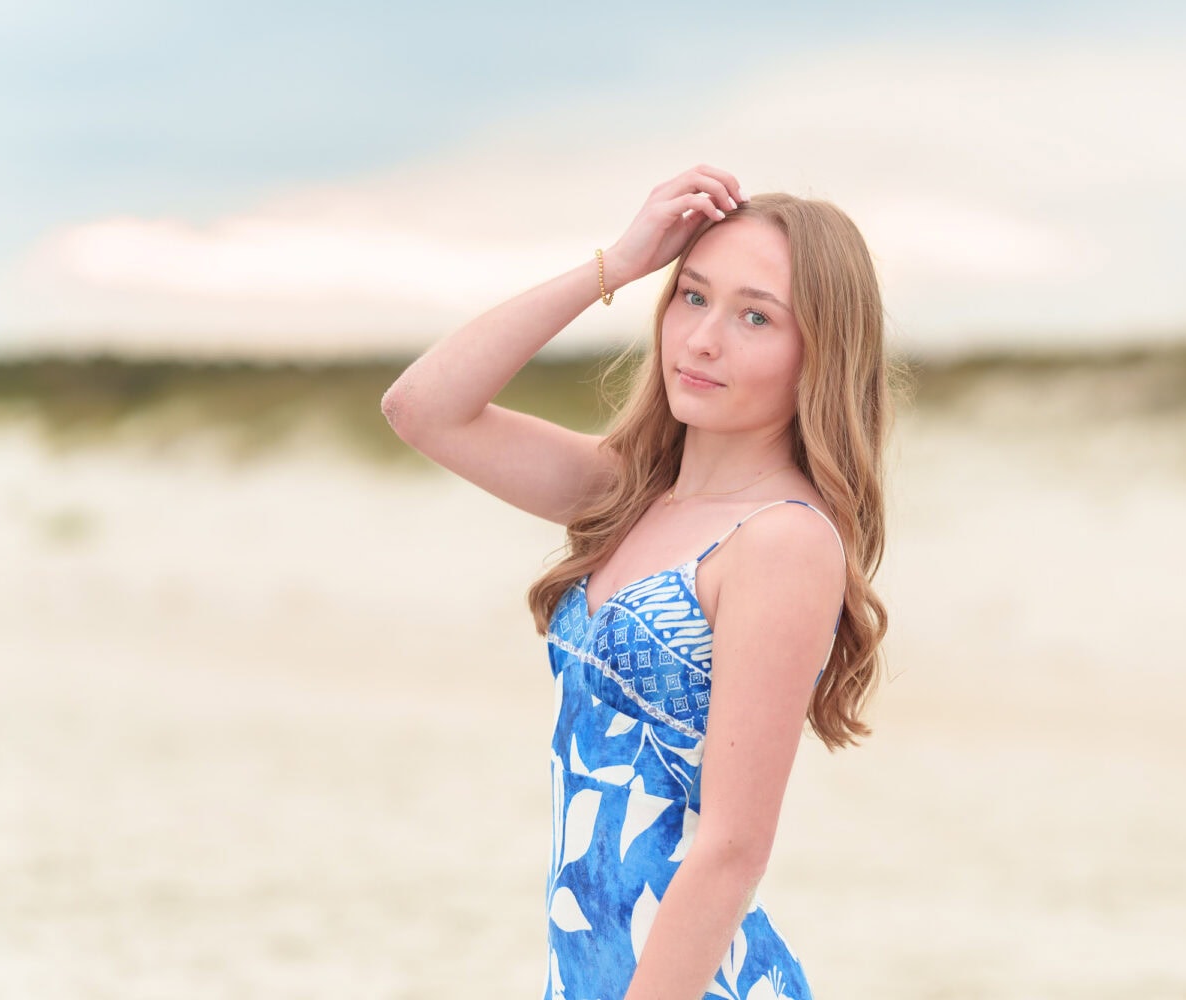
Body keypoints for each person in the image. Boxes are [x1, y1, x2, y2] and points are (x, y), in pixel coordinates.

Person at [382, 164, 891, 1000]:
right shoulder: (626, 494)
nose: (702, 339)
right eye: (692, 296)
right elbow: (421, 407)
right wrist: (614, 266)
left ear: (819, 354)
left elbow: (730, 850)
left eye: (755, 316)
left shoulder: (782, 542)